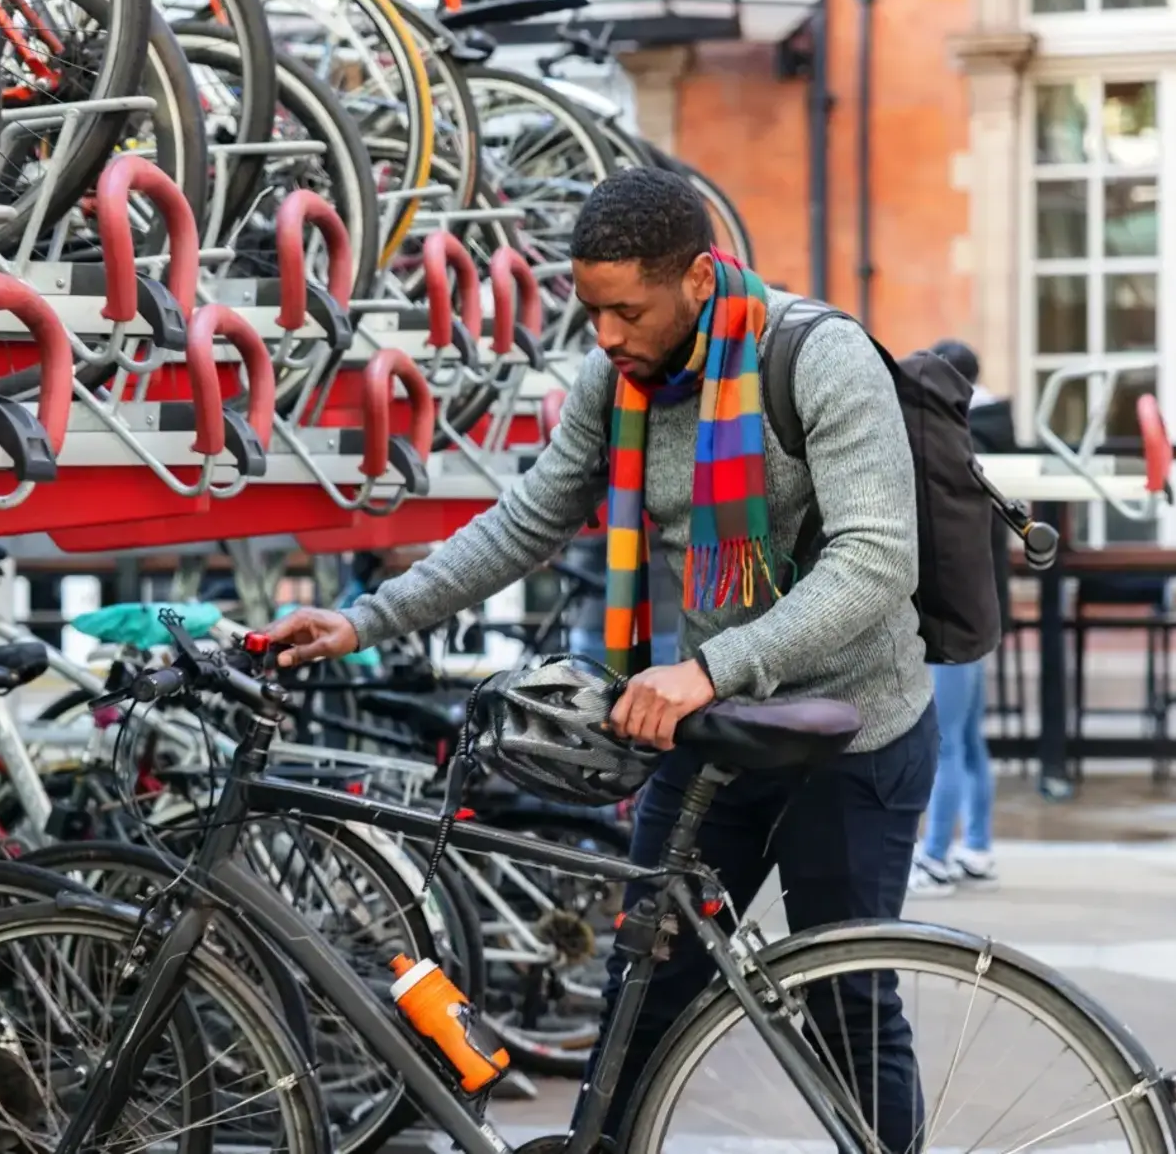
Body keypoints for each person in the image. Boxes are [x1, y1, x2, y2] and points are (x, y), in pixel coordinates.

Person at [263, 166, 934, 1145]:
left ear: (696, 278)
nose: (607, 335)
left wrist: (712, 666)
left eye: (627, 311)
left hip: (853, 734)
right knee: (640, 999)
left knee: (848, 1005)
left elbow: (876, 556)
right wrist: (366, 620)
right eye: (591, 311)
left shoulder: (816, 357)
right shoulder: (617, 380)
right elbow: (528, 519)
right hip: (716, 732)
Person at [910, 338, 1010, 896]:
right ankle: (977, 845)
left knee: (946, 740)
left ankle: (935, 856)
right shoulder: (992, 434)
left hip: (953, 613)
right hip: (982, 609)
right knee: (968, 738)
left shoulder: (951, 441)